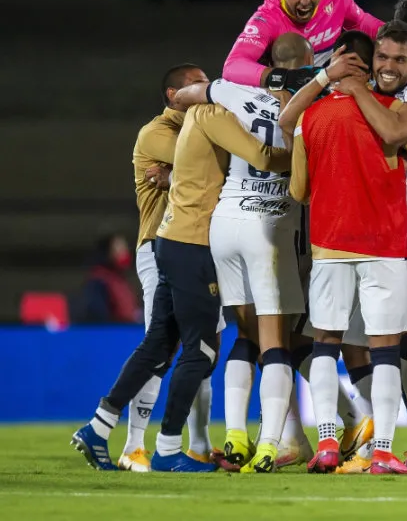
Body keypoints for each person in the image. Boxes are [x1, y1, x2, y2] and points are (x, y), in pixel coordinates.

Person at [71, 82, 292, 472]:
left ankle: (98, 426)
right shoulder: (213, 116)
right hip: (192, 245)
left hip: (171, 241)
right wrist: (298, 147)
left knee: (158, 344)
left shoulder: (193, 122)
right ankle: (170, 449)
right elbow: (261, 156)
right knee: (201, 351)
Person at [169, 34, 340, 473]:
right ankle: (271, 442)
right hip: (272, 228)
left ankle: (235, 437)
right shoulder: (312, 101)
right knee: (275, 341)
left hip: (226, 221)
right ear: (308, 62)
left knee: (242, 336)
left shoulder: (234, 91)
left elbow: (188, 94)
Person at [289, 30, 407, 474]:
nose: (388, 65)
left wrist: (325, 82)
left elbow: (298, 185)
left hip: (328, 242)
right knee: (383, 349)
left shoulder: (312, 114)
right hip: (382, 243)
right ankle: (380, 450)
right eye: (382, 57)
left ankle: (326, 443)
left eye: (397, 58)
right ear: (368, 62)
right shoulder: (394, 112)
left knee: (325, 344)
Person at [114, 63, 227, 473]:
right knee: (160, 347)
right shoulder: (157, 133)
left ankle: (198, 443)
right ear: (173, 96)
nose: (205, 88)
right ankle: (133, 445)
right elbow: (209, 163)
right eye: (196, 84)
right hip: (157, 249)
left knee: (203, 351)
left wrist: (173, 174)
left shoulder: (205, 124)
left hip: (198, 251)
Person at [223, 0, 383, 91]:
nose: (305, 1)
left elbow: (361, 22)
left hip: (330, 82)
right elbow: (233, 65)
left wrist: (397, 37)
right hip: (289, 94)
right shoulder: (267, 19)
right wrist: (286, 78)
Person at [77, 233, 140, 325]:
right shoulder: (98, 280)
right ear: (107, 251)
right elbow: (98, 314)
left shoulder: (121, 279)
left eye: (125, 248)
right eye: (119, 249)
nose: (124, 253)